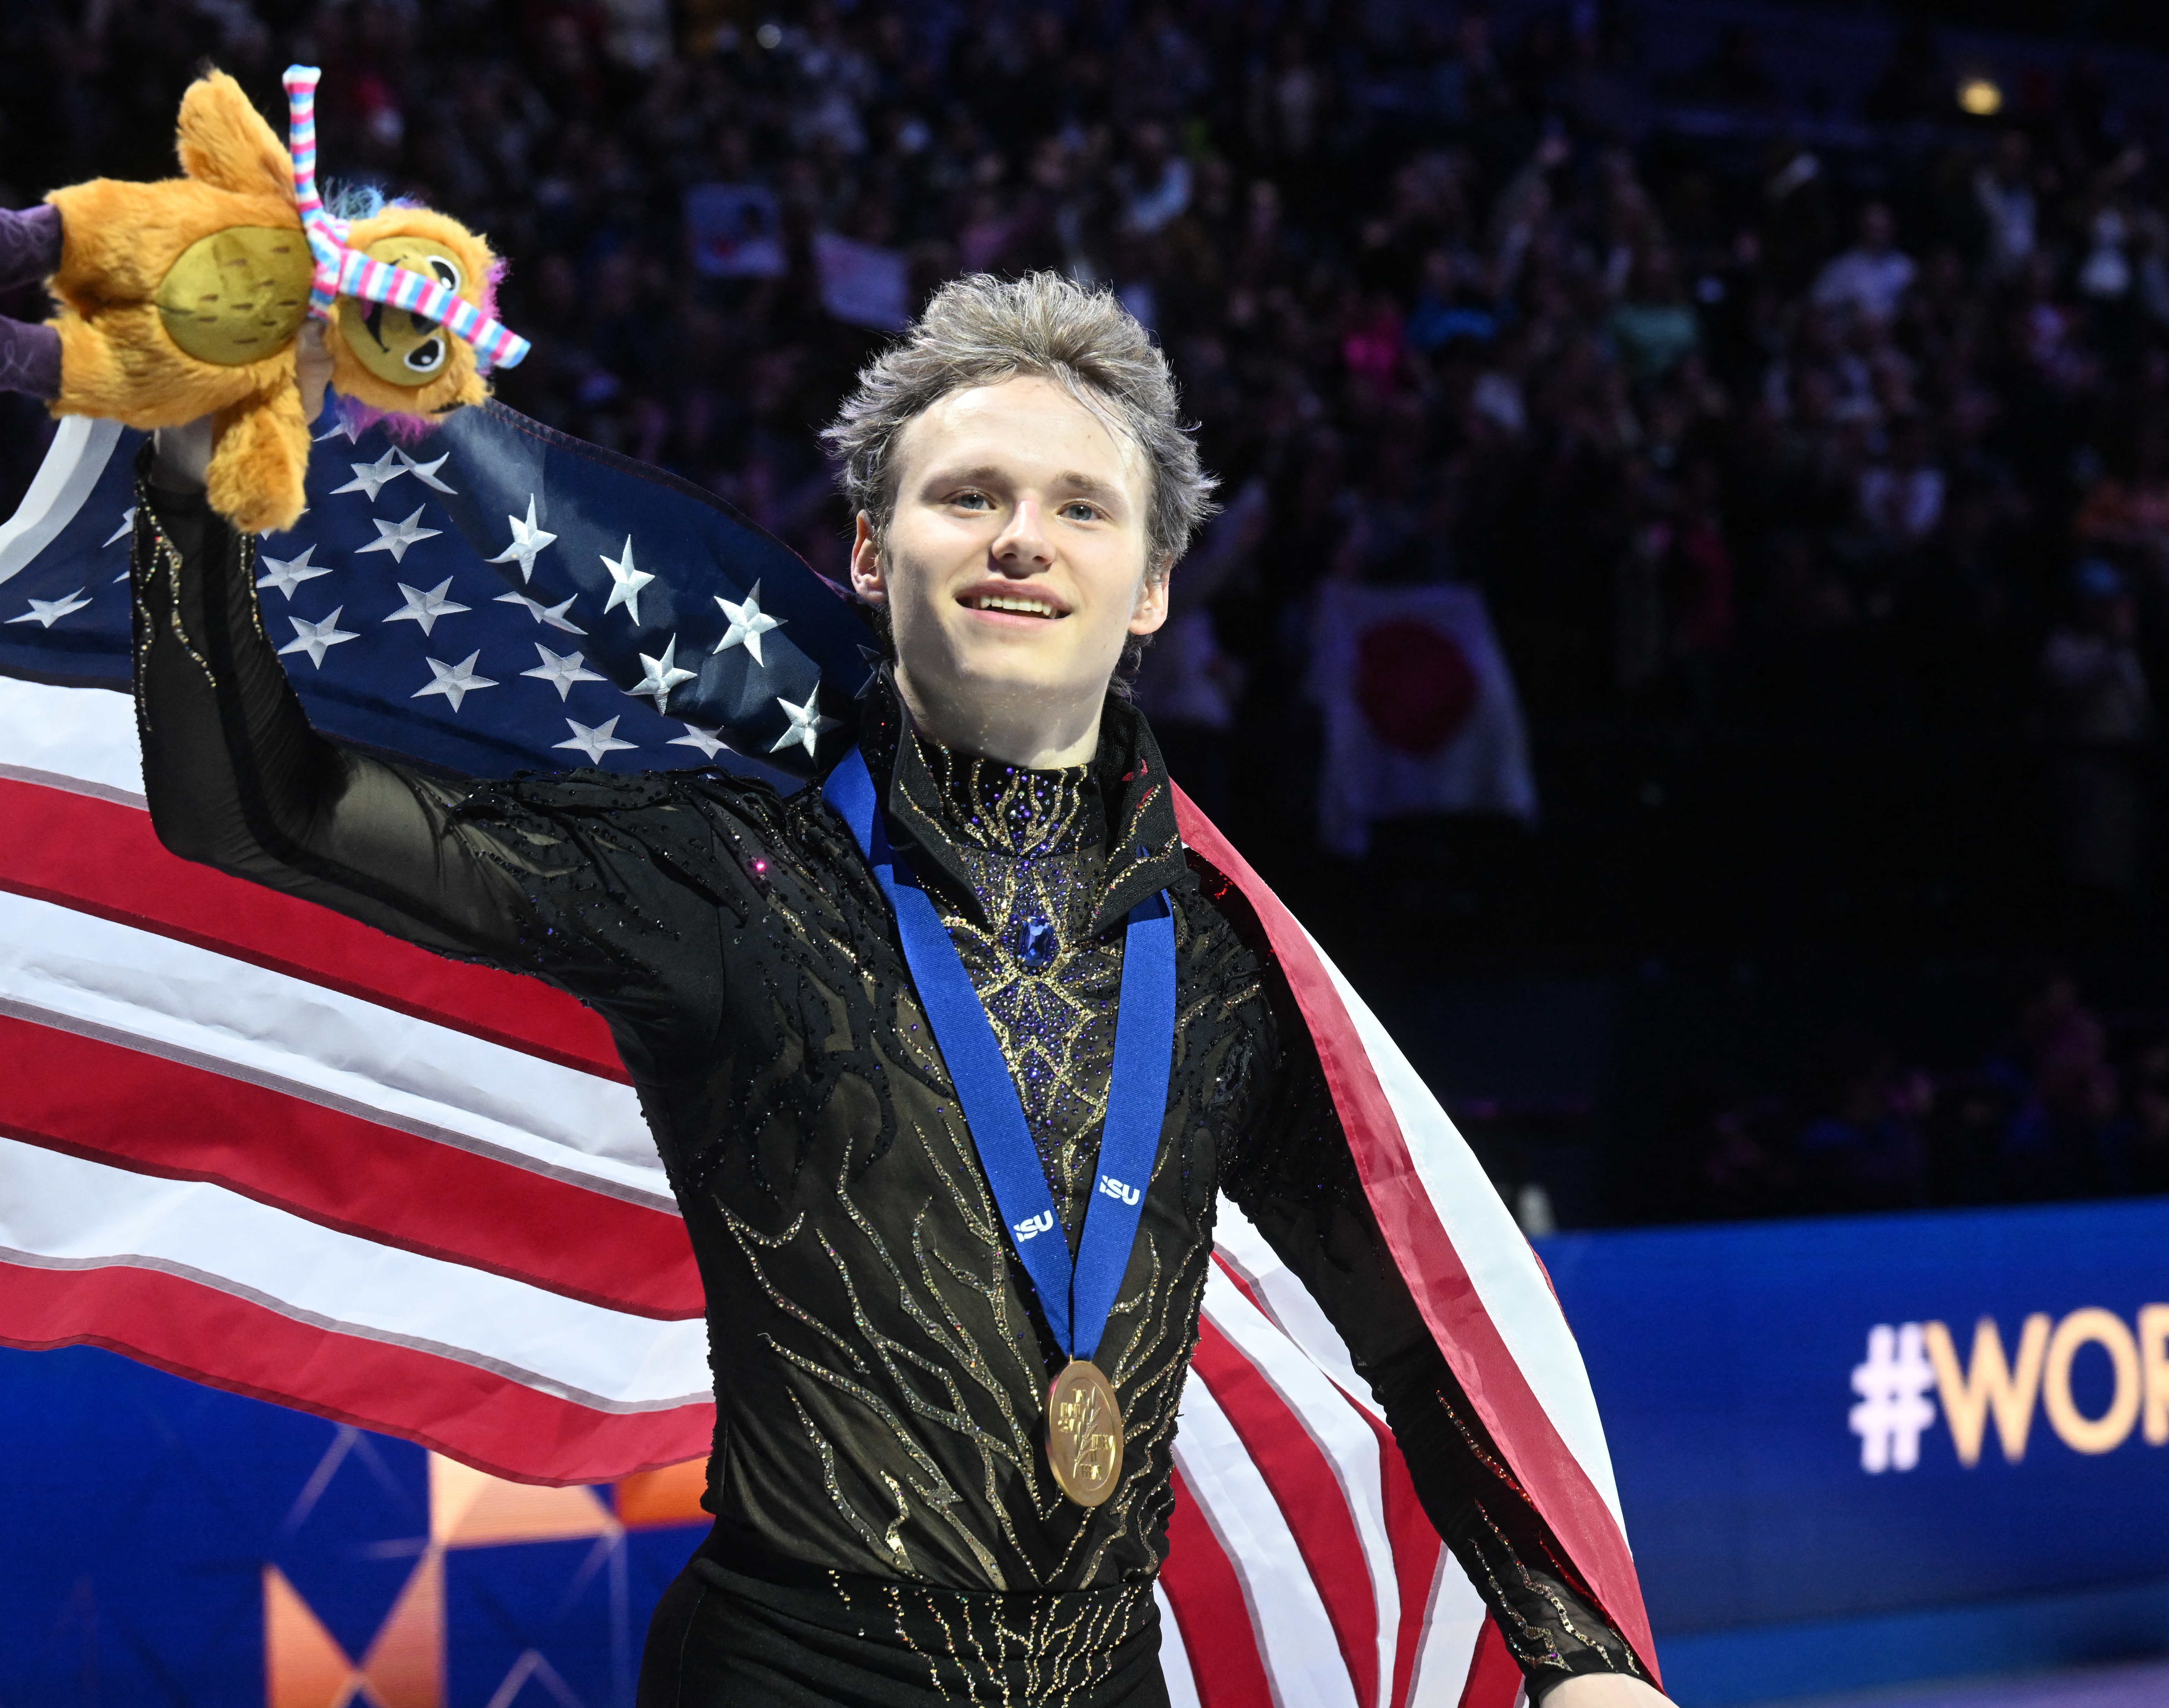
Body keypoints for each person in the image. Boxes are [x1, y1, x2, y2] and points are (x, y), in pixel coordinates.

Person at [133, 274, 1666, 1707]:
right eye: (967, 497)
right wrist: (195, 476)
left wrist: (1574, 1650)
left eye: (1080, 506)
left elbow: (1410, 1335)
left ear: (1150, 588)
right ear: (871, 555)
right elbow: (259, 808)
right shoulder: (722, 878)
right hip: (788, 1676)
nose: (1021, 538)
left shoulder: (1224, 966)